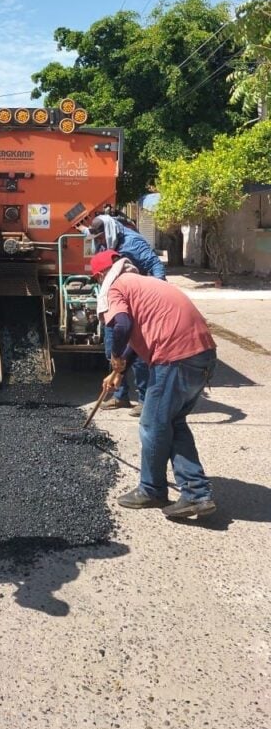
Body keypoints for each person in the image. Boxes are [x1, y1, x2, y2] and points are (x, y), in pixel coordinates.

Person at [91, 249, 217, 520]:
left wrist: (114, 358)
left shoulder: (116, 288)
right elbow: (139, 338)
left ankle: (152, 490)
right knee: (172, 422)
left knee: (152, 426)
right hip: (204, 356)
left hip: (175, 359)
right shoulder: (146, 283)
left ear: (101, 275)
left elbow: (122, 326)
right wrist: (120, 370)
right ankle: (196, 493)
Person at [87, 214, 166, 415]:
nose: (99, 243)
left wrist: (158, 291)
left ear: (109, 232)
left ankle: (144, 399)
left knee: (137, 353)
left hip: (135, 303)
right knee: (111, 350)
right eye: (96, 240)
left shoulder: (133, 241)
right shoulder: (105, 241)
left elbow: (155, 265)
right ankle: (120, 396)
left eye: (100, 238)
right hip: (115, 300)